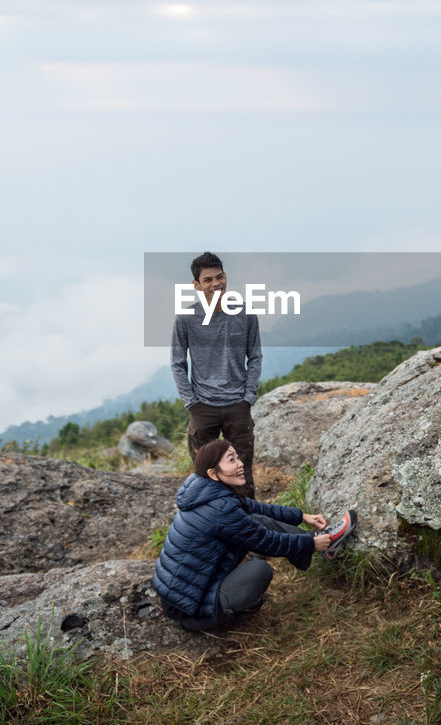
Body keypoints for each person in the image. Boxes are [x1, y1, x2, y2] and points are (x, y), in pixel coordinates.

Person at [152, 439, 357, 631]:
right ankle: (324, 544)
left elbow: (255, 508)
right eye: (231, 460)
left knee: (257, 520)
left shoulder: (207, 490)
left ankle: (326, 544)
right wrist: (310, 543)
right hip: (190, 610)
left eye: (237, 457)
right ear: (213, 473)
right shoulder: (220, 509)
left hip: (186, 595)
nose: (240, 464)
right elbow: (267, 542)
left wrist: (301, 516)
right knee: (259, 570)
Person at [172, 251, 264, 497]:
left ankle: (249, 527)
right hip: (203, 408)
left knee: (242, 476)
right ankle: (213, 529)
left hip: (238, 406)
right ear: (196, 285)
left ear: (226, 277)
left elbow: (255, 356)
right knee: (206, 477)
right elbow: (178, 363)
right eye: (208, 280)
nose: (216, 284)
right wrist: (192, 402)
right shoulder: (186, 318)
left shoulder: (244, 314)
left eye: (219, 277)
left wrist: (248, 397)